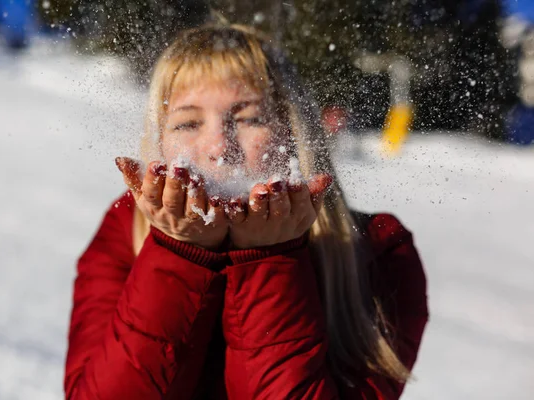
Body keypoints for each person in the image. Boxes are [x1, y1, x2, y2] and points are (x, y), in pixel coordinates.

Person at [64, 24, 429, 400]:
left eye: (248, 118)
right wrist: (178, 251)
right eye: (188, 122)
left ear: (294, 132)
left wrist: (269, 259)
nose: (219, 147)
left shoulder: (377, 250)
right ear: (159, 142)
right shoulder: (126, 229)